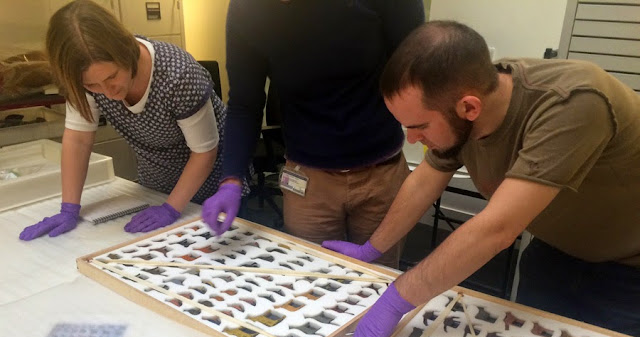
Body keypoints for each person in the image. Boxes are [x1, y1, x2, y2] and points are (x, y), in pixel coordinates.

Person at [324, 20, 640, 337]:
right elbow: (426, 177)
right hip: (555, 253)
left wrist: (397, 299)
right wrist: (374, 247)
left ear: (469, 108)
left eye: (420, 127)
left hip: (629, 274)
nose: (410, 140)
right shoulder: (462, 101)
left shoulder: (574, 102)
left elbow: (497, 228)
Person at [201, 0, 425, 269]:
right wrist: (232, 178)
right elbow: (244, 103)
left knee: (377, 280)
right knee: (310, 281)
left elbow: (417, 70)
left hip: (380, 174)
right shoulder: (248, 9)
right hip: (307, 179)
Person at [19, 0, 247, 241]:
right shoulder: (83, 80)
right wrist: (69, 207)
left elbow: (204, 152)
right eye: (92, 85)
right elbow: (78, 139)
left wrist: (172, 208)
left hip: (212, 188)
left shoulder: (178, 75)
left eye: (112, 77)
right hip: (155, 187)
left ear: (125, 51)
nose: (106, 91)